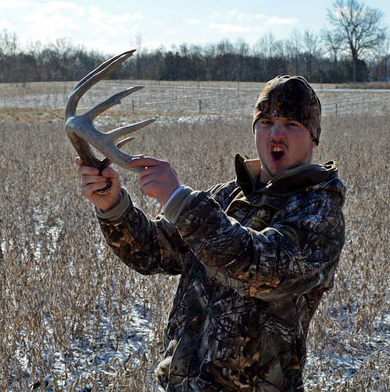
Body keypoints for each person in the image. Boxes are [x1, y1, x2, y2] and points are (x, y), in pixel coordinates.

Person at [77, 75, 346, 391]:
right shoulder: (226, 197)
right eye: (266, 121)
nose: (276, 132)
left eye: (291, 124)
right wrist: (113, 206)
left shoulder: (319, 213)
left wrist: (178, 200)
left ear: (313, 137)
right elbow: (154, 251)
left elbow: (259, 267)